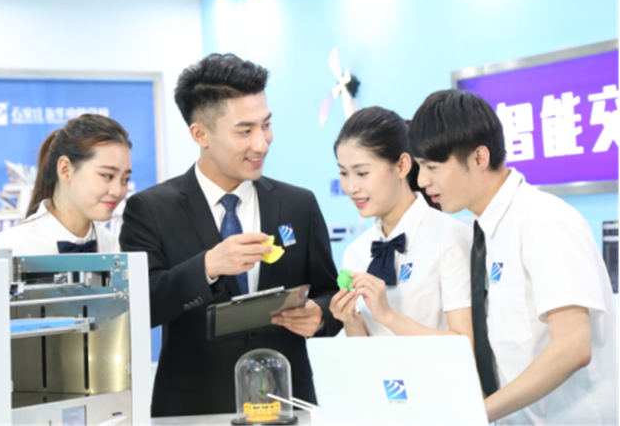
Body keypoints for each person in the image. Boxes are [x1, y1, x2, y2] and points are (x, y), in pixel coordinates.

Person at [119, 53, 341, 417]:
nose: (262, 144)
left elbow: (329, 292)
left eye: (266, 125)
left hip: (288, 403)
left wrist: (321, 314)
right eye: (244, 131)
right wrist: (207, 266)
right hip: (194, 408)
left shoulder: (298, 204)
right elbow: (140, 308)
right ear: (200, 134)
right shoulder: (151, 209)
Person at [408, 89, 618, 425]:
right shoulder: (482, 229)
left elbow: (573, 347)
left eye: (432, 166)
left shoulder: (543, 221)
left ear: (479, 157)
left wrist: (476, 414)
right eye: (420, 166)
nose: (422, 180)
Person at [329, 106, 473, 343]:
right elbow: (362, 353)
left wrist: (388, 316)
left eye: (362, 173)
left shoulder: (451, 238)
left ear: (402, 166)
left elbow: (465, 343)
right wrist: (351, 322)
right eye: (344, 173)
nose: (351, 187)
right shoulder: (355, 252)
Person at [0, 114, 132, 255]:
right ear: (65, 170)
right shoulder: (11, 247)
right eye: (108, 176)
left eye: (125, 179)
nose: (117, 191)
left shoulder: (114, 247)